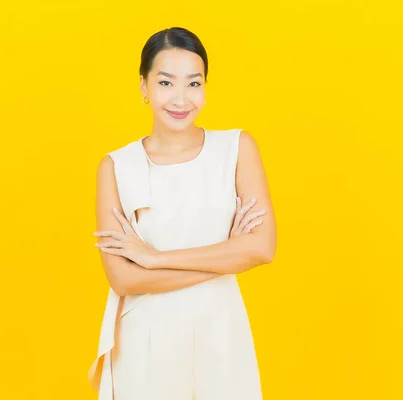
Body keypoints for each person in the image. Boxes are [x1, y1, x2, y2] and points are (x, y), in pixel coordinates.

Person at [88, 26, 277, 400]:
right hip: (146, 340)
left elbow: (262, 249)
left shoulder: (237, 148)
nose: (180, 98)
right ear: (143, 86)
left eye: (194, 84)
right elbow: (124, 280)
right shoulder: (116, 166)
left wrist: (154, 259)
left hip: (220, 333)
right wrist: (227, 255)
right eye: (165, 82)